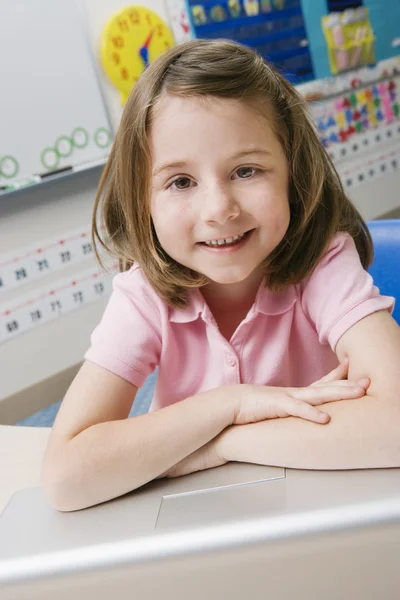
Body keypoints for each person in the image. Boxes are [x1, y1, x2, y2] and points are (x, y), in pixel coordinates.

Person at [42, 39, 400, 512]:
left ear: (293, 173)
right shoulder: (142, 296)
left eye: (246, 170)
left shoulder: (323, 264)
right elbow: (66, 477)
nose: (219, 210)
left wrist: (223, 443)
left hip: (323, 506)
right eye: (181, 182)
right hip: (200, 515)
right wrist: (228, 405)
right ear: (141, 199)